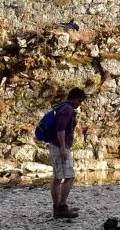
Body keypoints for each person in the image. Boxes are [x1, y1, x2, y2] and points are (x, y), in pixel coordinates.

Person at [49, 87, 87, 219]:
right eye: (80, 101)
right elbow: (61, 129)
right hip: (60, 146)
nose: (80, 104)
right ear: (74, 98)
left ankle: (57, 208)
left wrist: (73, 120)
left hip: (55, 145)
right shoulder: (67, 109)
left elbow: (63, 127)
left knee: (57, 178)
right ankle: (62, 207)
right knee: (69, 177)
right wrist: (63, 148)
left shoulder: (61, 107)